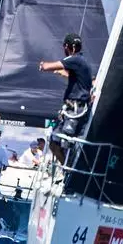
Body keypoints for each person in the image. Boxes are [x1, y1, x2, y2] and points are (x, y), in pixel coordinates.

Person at [38, 32, 94, 163]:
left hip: (74, 111)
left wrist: (43, 65)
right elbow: (79, 78)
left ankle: (68, 169)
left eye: (64, 47)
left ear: (69, 47)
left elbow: (47, 66)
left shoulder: (74, 59)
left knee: (60, 143)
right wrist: (63, 73)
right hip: (74, 109)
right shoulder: (82, 62)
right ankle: (67, 168)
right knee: (56, 142)